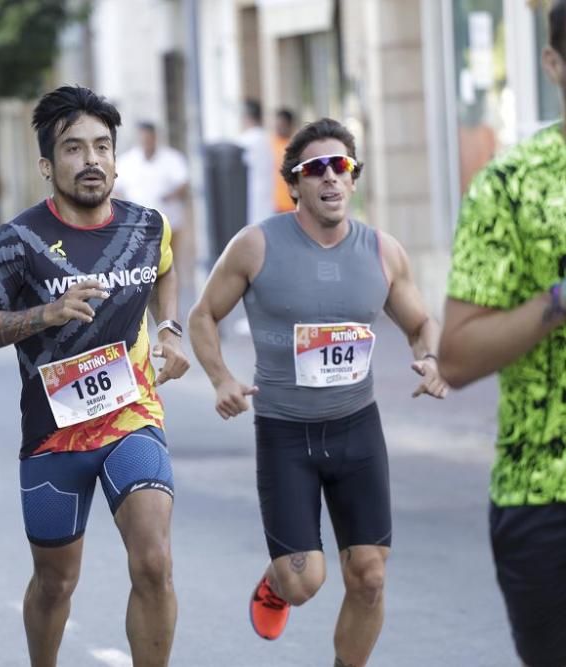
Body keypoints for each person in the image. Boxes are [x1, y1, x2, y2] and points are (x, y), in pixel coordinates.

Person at [188, 118, 448, 666]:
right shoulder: (256, 246)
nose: (331, 177)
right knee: (305, 581)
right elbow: (203, 315)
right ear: (296, 184)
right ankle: (276, 585)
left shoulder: (383, 252)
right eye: (316, 169)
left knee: (370, 577)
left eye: (342, 166)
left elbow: (423, 322)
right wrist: (221, 379)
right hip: (286, 435)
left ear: (354, 179)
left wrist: (428, 357)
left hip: (357, 428)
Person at [0, 85, 190, 667]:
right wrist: (46, 314)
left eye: (102, 147)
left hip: (131, 416)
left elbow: (165, 271)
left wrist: (171, 331)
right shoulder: (18, 242)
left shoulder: (146, 226)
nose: (91, 160)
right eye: (73, 149)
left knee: (154, 561)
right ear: (46, 164)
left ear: (116, 156)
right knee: (56, 582)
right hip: (52, 435)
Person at [439, 3, 566, 665]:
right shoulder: (510, 186)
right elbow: (454, 356)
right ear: (554, 64)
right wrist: (558, 301)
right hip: (545, 494)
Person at [114, 121, 190, 285]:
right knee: (143, 266)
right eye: (142, 138)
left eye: (149, 138)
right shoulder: (127, 161)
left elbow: (183, 184)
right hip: (139, 225)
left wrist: (170, 196)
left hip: (169, 223)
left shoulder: (172, 158)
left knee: (170, 265)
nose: (146, 142)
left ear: (155, 137)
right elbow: (117, 189)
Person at [236, 99, 275, 226]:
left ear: (246, 117)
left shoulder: (247, 140)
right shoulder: (266, 137)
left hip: (252, 195)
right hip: (266, 193)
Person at [272, 108, 297, 213]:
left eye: (282, 124)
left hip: (292, 204)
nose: (278, 128)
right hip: (273, 204)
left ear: (290, 125)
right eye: (277, 124)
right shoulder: (269, 145)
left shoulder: (296, 146)